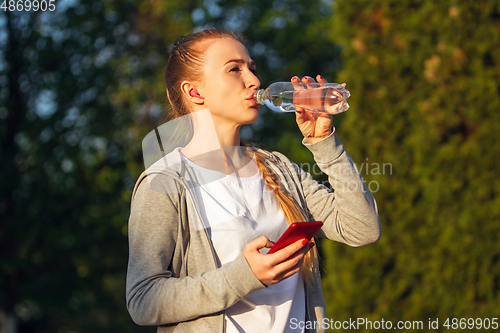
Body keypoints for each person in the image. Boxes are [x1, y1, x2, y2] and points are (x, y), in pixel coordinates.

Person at [126, 29, 381, 333]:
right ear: (195, 92)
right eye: (234, 69)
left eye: (251, 68)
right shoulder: (166, 182)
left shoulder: (278, 168)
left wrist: (323, 141)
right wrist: (245, 275)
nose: (254, 81)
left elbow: (362, 228)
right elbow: (143, 300)